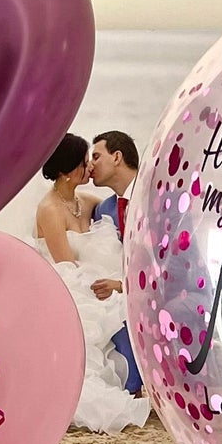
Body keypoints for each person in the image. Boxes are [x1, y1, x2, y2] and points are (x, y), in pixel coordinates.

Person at [33, 133, 149, 433]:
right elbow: (65, 265)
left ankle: (135, 378)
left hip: (99, 281)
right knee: (103, 324)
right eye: (85, 162)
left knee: (122, 311)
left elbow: (123, 210)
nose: (89, 168)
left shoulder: (87, 202)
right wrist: (106, 287)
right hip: (70, 285)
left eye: (92, 159)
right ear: (66, 170)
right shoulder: (49, 209)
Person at [87, 132, 144, 397]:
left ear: (117, 157)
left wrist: (123, 287)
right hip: (122, 293)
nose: (90, 166)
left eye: (96, 156)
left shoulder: (155, 198)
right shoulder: (104, 210)